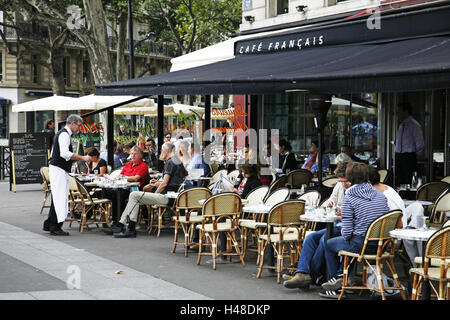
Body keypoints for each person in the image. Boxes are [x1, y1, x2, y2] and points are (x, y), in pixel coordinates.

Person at [320, 162, 389, 298]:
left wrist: (349, 238)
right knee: (347, 245)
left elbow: (346, 231)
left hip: (361, 244)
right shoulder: (381, 195)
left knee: (327, 243)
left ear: (350, 178)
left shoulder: (350, 197)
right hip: (382, 244)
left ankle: (336, 283)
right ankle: (341, 277)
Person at [282, 162, 351, 289]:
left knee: (324, 240)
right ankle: (302, 272)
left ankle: (308, 276)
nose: (343, 184)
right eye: (341, 181)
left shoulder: (355, 190)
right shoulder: (339, 187)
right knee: (310, 238)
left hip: (346, 227)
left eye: (346, 181)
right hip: (337, 224)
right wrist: (330, 203)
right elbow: (331, 201)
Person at [105, 142, 187, 238]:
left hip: (167, 196)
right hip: (174, 195)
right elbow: (174, 181)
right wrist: (157, 182)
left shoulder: (170, 162)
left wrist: (156, 193)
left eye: (162, 149)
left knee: (134, 195)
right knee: (134, 196)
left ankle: (128, 228)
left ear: (166, 150)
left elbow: (165, 183)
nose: (161, 152)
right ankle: (121, 225)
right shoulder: (177, 161)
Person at [43, 114, 91, 236]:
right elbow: (65, 154)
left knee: (57, 197)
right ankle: (55, 227)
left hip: (57, 168)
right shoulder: (64, 135)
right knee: (60, 197)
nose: (79, 128)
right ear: (72, 123)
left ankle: (49, 223)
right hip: (59, 169)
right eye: (79, 126)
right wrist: (82, 158)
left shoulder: (61, 133)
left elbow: (57, 152)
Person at [101, 146, 149, 228]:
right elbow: (120, 175)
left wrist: (123, 177)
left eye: (135, 154)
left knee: (118, 196)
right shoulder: (128, 164)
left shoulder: (143, 166)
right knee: (111, 194)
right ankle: (115, 221)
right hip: (123, 187)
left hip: (135, 189)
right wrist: (120, 177)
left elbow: (136, 178)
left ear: (141, 155)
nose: (133, 156)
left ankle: (119, 222)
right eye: (131, 154)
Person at [394, 102, 424, 187]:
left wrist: (413, 156)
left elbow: (420, 144)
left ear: (406, 111)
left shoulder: (414, 125)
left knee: (408, 180)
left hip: (408, 157)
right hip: (399, 156)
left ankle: (409, 198)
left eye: (399, 111)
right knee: (399, 180)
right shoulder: (401, 125)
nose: (397, 114)